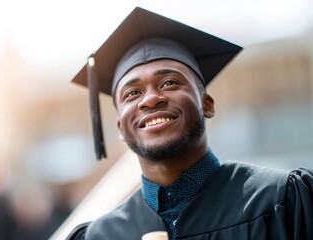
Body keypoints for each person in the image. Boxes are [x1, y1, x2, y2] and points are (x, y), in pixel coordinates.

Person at [66, 7, 313, 240]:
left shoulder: (281, 200)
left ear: (207, 104)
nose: (150, 99)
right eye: (132, 94)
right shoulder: (101, 235)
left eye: (169, 83)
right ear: (121, 128)